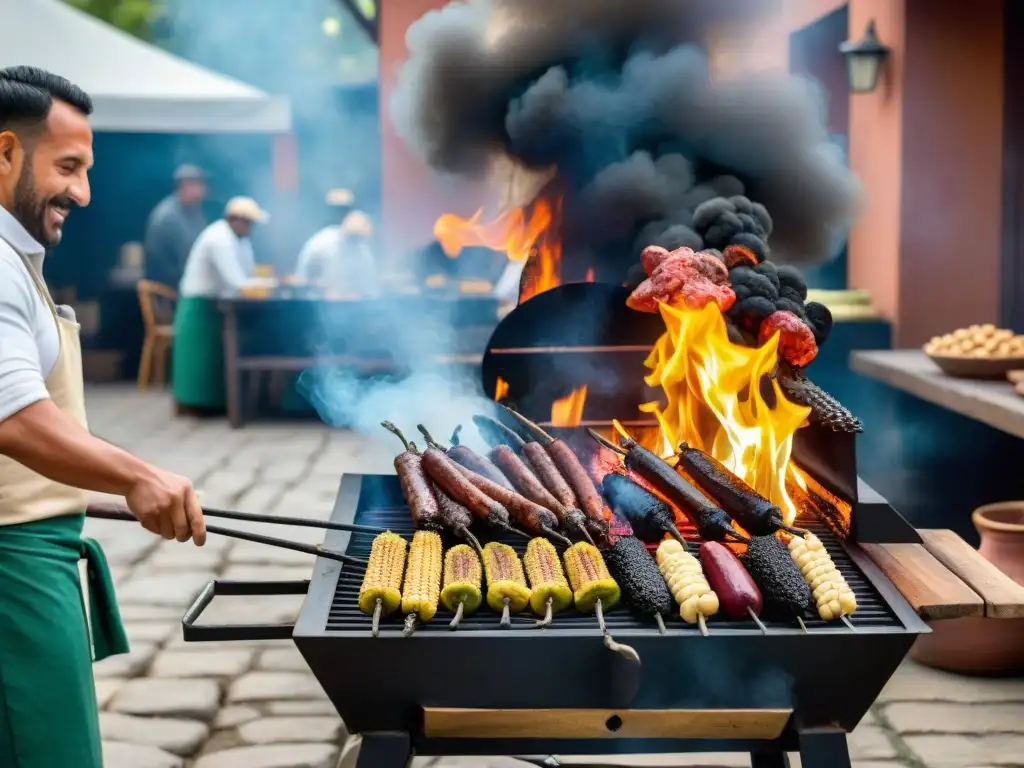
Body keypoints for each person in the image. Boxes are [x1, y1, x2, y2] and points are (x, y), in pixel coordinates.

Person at [0, 65, 206, 768]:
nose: (82, 193)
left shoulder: (14, 258)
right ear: (4, 153)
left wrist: (93, 484)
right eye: (68, 167)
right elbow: (14, 417)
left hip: (33, 558)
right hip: (12, 575)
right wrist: (137, 475)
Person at [172, 196, 268, 413]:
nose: (251, 228)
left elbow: (247, 273)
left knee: (213, 361)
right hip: (199, 306)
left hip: (214, 306)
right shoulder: (219, 238)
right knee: (198, 362)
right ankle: (194, 406)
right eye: (249, 223)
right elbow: (237, 282)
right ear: (237, 220)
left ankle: (219, 404)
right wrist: (270, 284)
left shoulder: (240, 241)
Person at [142, 163, 207, 288]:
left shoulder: (194, 211)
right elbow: (184, 260)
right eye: (199, 184)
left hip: (187, 281)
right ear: (184, 185)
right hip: (169, 289)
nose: (204, 190)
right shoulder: (168, 218)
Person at [295, 208, 379, 297]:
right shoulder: (321, 244)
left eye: (359, 238)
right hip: (317, 302)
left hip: (351, 305)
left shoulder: (364, 252)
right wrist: (327, 291)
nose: (355, 241)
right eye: (353, 237)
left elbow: (370, 287)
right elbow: (305, 280)